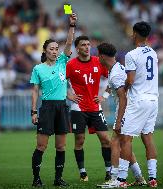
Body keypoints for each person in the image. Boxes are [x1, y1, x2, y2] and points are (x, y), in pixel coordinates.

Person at [30, 13, 77, 188]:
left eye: (56, 48)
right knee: (41, 146)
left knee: (61, 147)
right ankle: (36, 179)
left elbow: (70, 43)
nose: (55, 51)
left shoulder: (62, 63)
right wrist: (34, 111)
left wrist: (71, 26)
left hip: (62, 107)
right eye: (51, 49)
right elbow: (35, 91)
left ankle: (58, 179)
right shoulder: (38, 69)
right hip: (48, 107)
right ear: (45, 51)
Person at [96, 43, 146, 188]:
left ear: (102, 56)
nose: (97, 58)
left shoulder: (116, 73)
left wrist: (118, 121)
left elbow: (122, 97)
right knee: (125, 144)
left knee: (115, 142)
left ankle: (115, 178)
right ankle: (139, 177)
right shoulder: (116, 68)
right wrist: (104, 96)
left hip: (126, 108)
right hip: (131, 107)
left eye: (98, 55)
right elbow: (111, 86)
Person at [116, 21, 159, 188]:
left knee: (126, 139)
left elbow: (131, 79)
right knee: (147, 137)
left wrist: (124, 88)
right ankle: (153, 178)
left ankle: (121, 180)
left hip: (139, 100)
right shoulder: (153, 53)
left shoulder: (131, 54)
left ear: (134, 34)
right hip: (153, 99)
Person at [66, 36, 111, 182]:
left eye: (88, 44)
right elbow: (59, 82)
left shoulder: (98, 61)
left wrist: (104, 95)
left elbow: (114, 77)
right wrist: (69, 95)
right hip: (78, 108)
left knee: (105, 139)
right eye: (83, 45)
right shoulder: (71, 64)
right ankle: (83, 172)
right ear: (77, 48)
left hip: (95, 107)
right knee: (79, 140)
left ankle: (109, 172)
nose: (87, 47)